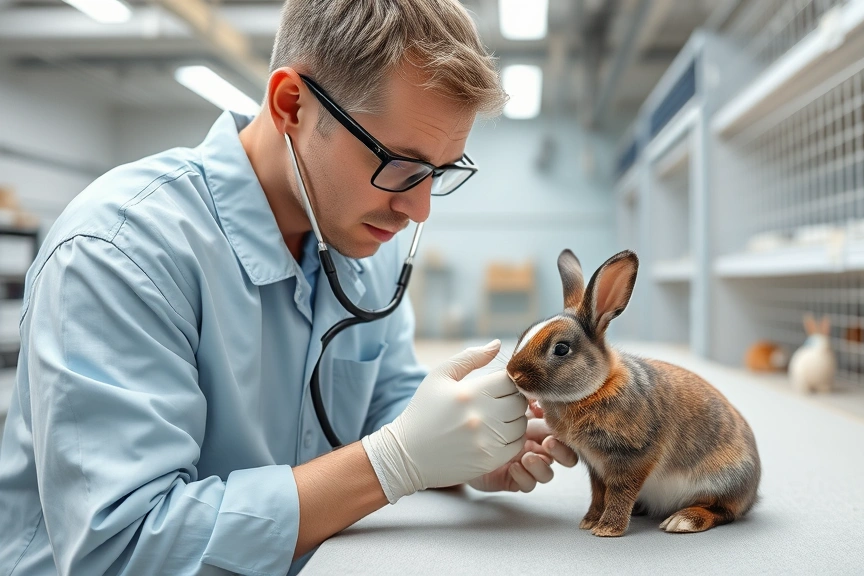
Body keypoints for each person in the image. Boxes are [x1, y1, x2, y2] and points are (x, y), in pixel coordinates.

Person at [0, 0, 578, 573]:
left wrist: (461, 451)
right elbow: (124, 549)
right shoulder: (119, 253)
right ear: (290, 105)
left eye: (439, 172)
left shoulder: (362, 245)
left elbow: (389, 407)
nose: (419, 208)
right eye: (400, 163)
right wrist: (394, 462)